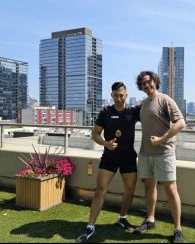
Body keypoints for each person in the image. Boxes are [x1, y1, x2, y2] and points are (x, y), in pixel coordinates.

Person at [76, 82, 141, 243]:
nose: (119, 98)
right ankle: (90, 227)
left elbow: (150, 111)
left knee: (130, 189)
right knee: (100, 190)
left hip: (128, 157)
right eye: (116, 95)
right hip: (109, 157)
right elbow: (95, 134)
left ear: (126, 95)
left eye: (122, 95)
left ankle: (122, 218)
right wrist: (106, 144)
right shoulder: (105, 112)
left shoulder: (133, 112)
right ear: (111, 95)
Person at [133, 71, 185, 243]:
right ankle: (150, 220)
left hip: (164, 153)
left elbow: (180, 122)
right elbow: (124, 110)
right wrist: (107, 108)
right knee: (149, 187)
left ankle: (177, 229)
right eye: (143, 84)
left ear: (155, 81)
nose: (146, 86)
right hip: (145, 153)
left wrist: (162, 139)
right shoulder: (142, 104)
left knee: (171, 190)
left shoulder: (165, 100)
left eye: (148, 82)